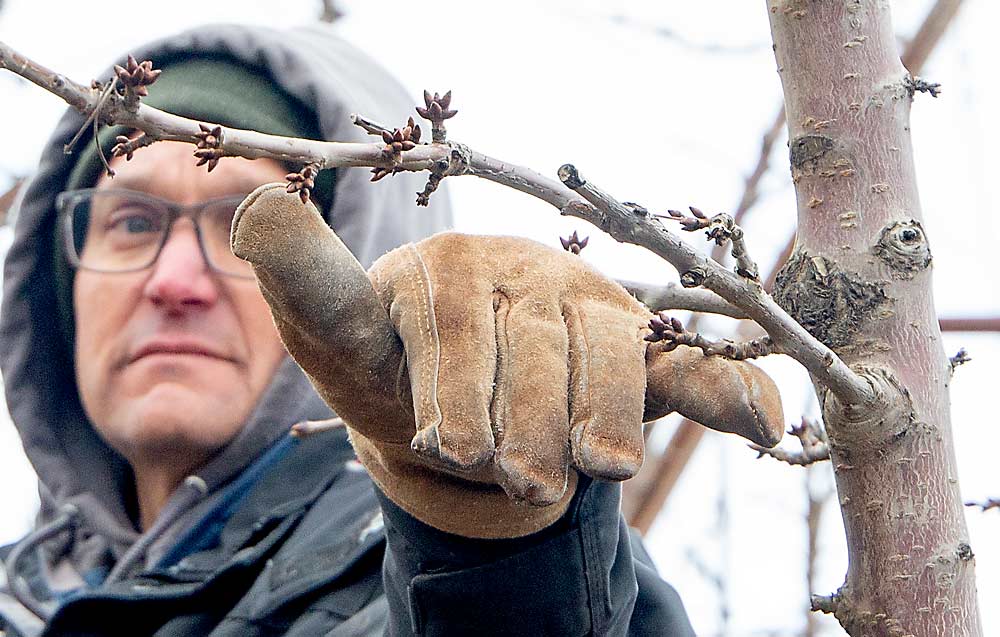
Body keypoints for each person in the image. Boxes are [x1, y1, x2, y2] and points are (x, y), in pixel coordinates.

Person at [0, 23, 782, 637]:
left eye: (242, 219)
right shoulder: (18, 596)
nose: (173, 282)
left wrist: (489, 537)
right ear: (59, 289)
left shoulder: (417, 578)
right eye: (133, 221)